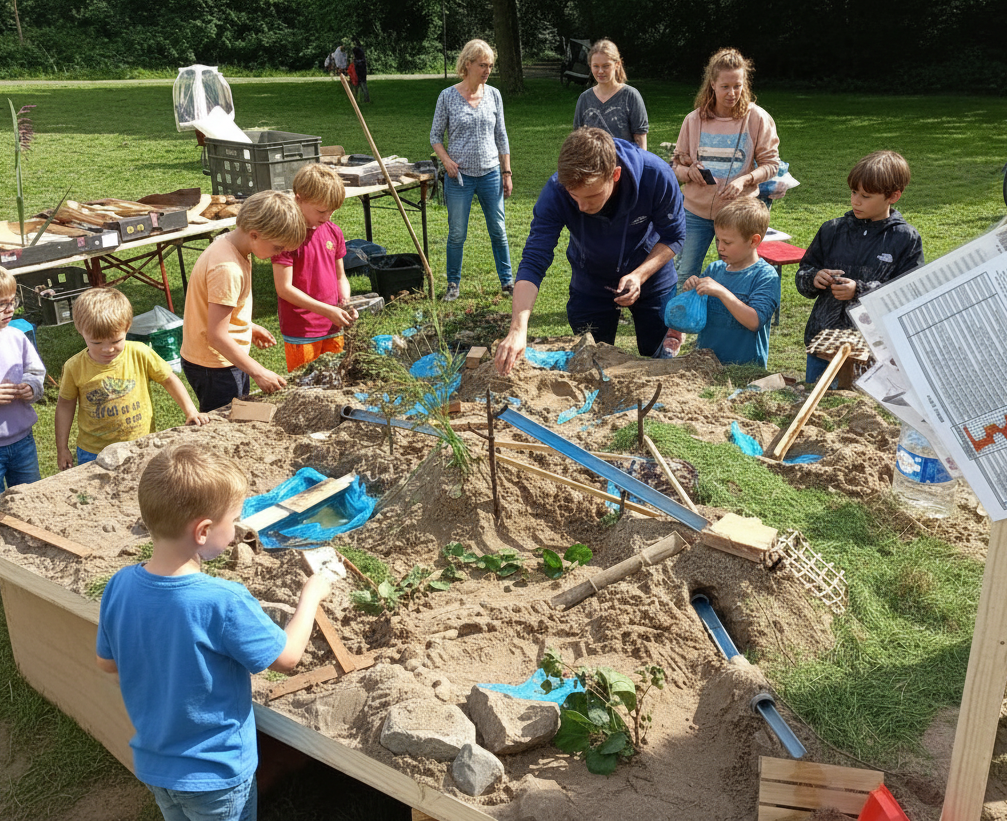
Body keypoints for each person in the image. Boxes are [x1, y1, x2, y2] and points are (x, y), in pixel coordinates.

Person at [96, 443, 332, 821]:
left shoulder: (120, 585)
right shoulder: (223, 600)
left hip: (157, 765)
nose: (237, 529)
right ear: (203, 531)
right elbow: (287, 658)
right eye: (234, 520)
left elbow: (107, 663)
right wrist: (311, 597)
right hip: (216, 776)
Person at [494, 127, 685, 375]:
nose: (582, 206)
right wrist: (518, 330)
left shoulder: (656, 175)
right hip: (591, 280)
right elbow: (534, 259)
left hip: (651, 276)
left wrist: (639, 275)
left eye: (592, 196)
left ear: (615, 175)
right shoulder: (555, 191)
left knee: (657, 356)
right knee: (592, 362)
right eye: (575, 196)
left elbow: (674, 235)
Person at [796, 150, 924, 383]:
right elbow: (803, 274)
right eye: (854, 192)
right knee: (815, 408)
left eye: (866, 196)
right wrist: (814, 277)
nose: (855, 200)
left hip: (872, 353)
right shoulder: (831, 230)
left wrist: (860, 291)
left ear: (893, 196)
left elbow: (907, 295)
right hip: (822, 345)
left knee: (857, 414)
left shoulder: (906, 239)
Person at [56, 288, 209, 470]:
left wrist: (190, 411)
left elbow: (169, 379)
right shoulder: (74, 366)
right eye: (96, 343)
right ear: (81, 331)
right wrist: (62, 447)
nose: (107, 349)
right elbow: (65, 405)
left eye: (115, 341)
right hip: (94, 452)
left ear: (127, 327)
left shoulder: (140, 353)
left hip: (141, 444)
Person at [180, 190, 305, 413]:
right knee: (227, 422)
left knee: (239, 413)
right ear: (255, 235)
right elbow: (216, 335)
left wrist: (248, 327)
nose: (280, 253)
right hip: (216, 366)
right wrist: (259, 371)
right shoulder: (227, 269)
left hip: (220, 360)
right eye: (277, 247)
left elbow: (216, 314)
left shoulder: (231, 245)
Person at [671, 48, 780, 284]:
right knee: (684, 274)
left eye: (738, 86)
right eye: (725, 87)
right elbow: (676, 166)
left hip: (738, 214)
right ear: (712, 84)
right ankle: (681, 321)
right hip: (696, 212)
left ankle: (729, 319)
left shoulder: (758, 118)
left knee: (737, 278)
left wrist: (745, 180)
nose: (732, 93)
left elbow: (771, 164)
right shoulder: (693, 120)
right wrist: (688, 172)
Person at [430, 38, 513, 302]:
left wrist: (506, 172)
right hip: (459, 178)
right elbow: (435, 136)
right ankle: (453, 284)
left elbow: (502, 136)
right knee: (457, 233)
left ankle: (508, 282)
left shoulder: (494, 95)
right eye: (482, 65)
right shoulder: (447, 96)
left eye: (490, 65)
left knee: (498, 229)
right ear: (468, 64)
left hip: (490, 173)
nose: (487, 70)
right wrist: (446, 161)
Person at [271, 164, 358, 372]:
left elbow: (340, 277)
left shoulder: (333, 231)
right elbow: (284, 288)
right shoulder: (285, 237)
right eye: (321, 211)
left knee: (337, 381)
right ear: (298, 199)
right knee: (306, 388)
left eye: (332, 211)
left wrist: (345, 302)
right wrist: (328, 310)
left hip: (333, 325)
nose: (327, 217)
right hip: (303, 330)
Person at [676, 198, 779, 368]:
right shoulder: (715, 269)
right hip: (707, 364)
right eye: (718, 240)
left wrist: (721, 292)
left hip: (743, 368)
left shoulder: (765, 276)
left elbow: (754, 322)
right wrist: (692, 291)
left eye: (728, 242)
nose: (720, 247)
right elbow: (698, 313)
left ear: (754, 241)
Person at [0, 268, 44, 487]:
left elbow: (35, 371)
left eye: (12, 302)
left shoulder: (16, 337)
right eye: (1, 304)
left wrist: (31, 386)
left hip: (22, 442)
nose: (9, 310)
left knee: (30, 497)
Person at [573, 39, 648, 150]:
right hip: (591, 164)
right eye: (596, 66)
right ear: (590, 66)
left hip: (625, 163)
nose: (600, 71)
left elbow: (640, 141)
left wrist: (639, 166)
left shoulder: (630, 96)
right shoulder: (584, 98)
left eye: (606, 66)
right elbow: (578, 139)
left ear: (617, 64)